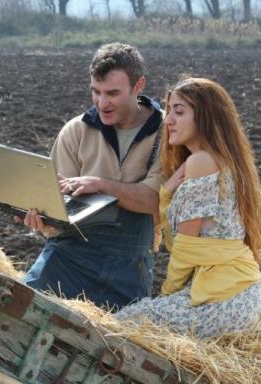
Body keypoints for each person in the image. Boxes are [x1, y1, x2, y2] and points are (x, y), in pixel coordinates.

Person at [114, 77, 261, 338]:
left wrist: (166, 297)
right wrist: (166, 195)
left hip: (225, 303)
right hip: (245, 299)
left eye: (179, 111)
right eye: (169, 112)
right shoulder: (217, 162)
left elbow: (184, 250)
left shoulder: (202, 162)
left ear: (206, 117)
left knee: (126, 323)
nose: (168, 121)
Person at [18, 43, 162, 309]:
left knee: (119, 346)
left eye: (112, 93)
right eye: (96, 92)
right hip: (68, 256)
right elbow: (56, 209)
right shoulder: (75, 130)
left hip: (130, 267)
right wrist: (42, 219)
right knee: (20, 310)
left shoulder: (167, 133)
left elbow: (154, 200)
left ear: (139, 86)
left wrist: (98, 185)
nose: (101, 103)